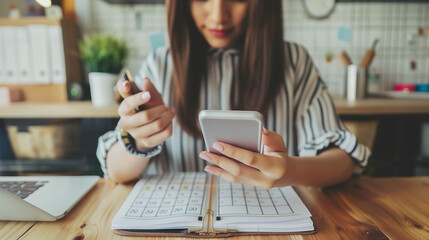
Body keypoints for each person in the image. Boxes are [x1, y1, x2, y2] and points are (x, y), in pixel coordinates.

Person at [97, 0, 369, 188]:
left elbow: (342, 161)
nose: (218, 15)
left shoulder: (294, 62)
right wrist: (140, 140)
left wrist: (288, 171)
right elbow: (115, 170)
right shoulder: (159, 65)